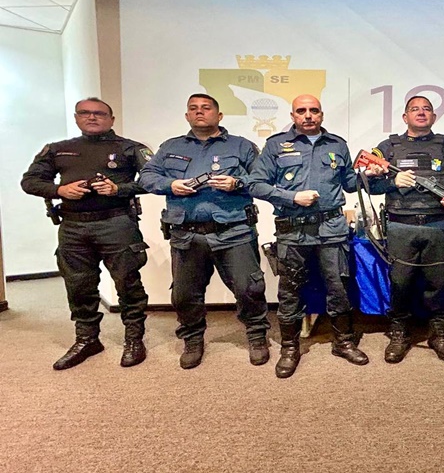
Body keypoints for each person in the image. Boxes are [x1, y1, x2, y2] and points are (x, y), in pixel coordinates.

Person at [138, 93, 269, 370]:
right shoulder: (170, 146)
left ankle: (257, 336)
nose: (200, 112)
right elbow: (147, 177)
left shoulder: (241, 146)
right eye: (193, 108)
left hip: (234, 231)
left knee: (249, 288)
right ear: (187, 115)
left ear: (219, 115)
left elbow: (262, 179)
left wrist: (236, 183)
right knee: (185, 294)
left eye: (206, 108)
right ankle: (193, 339)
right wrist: (171, 185)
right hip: (187, 234)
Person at [21, 97, 151, 370]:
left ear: (111, 119)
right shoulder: (58, 149)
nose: (92, 117)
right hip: (73, 227)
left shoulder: (130, 148)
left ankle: (134, 339)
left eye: (99, 113)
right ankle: (87, 339)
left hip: (116, 224)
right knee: (79, 286)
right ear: (76, 117)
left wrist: (119, 189)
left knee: (128, 283)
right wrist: (59, 190)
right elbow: (30, 181)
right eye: (85, 113)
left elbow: (153, 181)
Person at [248, 94, 369, 378]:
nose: (308, 115)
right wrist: (291, 197)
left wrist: (368, 174)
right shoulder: (276, 145)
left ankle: (343, 342)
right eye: (301, 111)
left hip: (331, 229)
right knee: (290, 291)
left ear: (321, 114)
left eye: (314, 110)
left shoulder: (337, 144)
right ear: (293, 116)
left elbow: (349, 184)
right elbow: (255, 184)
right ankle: (290, 348)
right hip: (293, 230)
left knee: (339, 287)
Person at [366, 95, 444, 363]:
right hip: (401, 225)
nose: (421, 113)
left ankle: (438, 333)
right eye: (415, 109)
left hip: (438, 224)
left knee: (438, 282)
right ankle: (399, 333)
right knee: (400, 282)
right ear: (405, 117)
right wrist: (393, 183)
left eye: (426, 109)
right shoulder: (386, 148)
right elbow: (368, 184)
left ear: (433, 116)